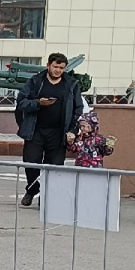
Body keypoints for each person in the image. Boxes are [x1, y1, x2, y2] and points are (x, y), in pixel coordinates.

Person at [15, 53, 85, 207]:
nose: (58, 70)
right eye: (55, 66)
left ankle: (46, 196)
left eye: (61, 68)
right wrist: (38, 103)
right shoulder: (36, 81)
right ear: (48, 65)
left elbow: (78, 109)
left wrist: (73, 130)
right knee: (31, 163)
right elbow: (21, 102)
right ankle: (32, 190)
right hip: (35, 130)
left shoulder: (71, 84)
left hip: (59, 133)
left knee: (54, 166)